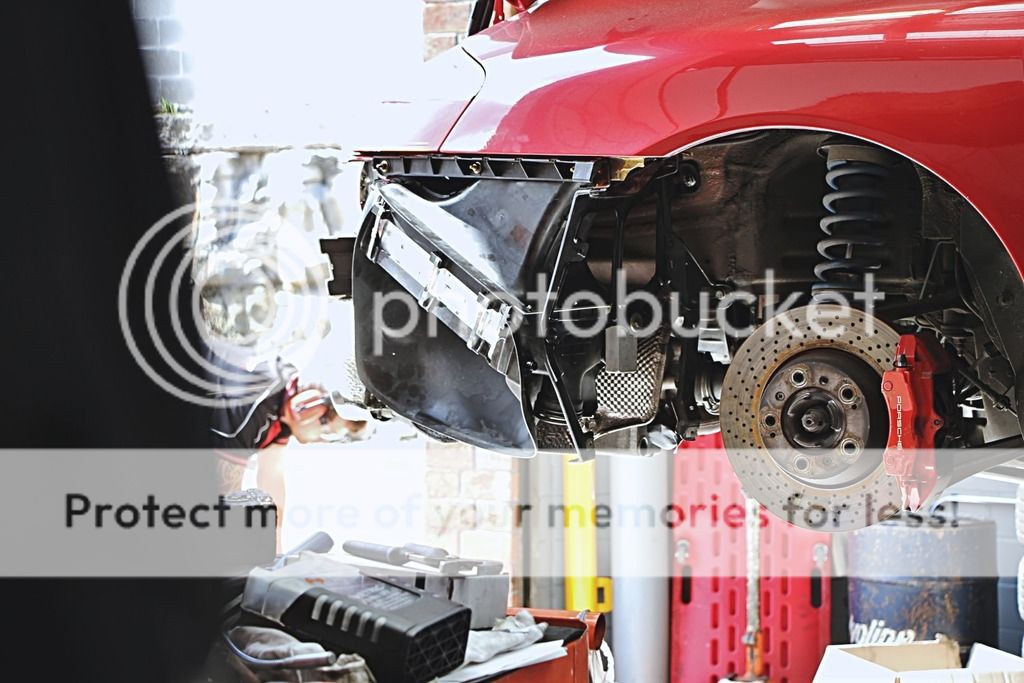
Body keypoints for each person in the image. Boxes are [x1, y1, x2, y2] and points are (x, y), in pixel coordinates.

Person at [210, 357, 369, 548]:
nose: (320, 439)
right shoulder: (253, 409)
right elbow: (225, 498)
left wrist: (276, 549)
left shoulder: (281, 405)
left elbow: (272, 479)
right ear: (310, 407)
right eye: (326, 430)